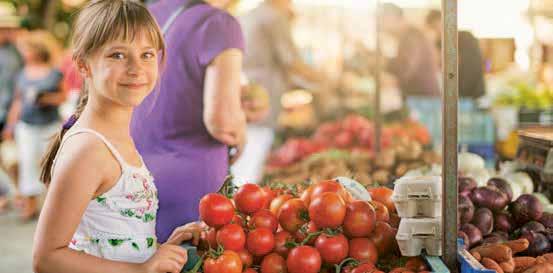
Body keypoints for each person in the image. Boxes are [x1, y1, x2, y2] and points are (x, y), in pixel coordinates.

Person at [32, 1, 201, 272]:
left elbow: (106, 234)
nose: (136, 68)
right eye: (118, 55)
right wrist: (140, 270)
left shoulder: (114, 139)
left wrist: (157, 249)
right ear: (83, 65)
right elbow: (47, 258)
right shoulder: (89, 149)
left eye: (146, 54)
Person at [130, 0, 247, 243]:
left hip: (134, 177)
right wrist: (242, 129)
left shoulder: (147, 14)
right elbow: (222, 123)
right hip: (192, 189)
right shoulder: (219, 23)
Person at [235, 0, 326, 183]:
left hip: (246, 90)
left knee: (245, 153)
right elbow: (291, 61)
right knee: (254, 154)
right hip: (264, 95)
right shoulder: (275, 17)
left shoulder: (250, 14)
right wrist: (323, 79)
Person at [1, 30, 65, 220]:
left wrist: (46, 99)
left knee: (51, 165)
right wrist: (10, 126)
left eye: (28, 49)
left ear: (38, 50)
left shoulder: (54, 73)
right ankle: (29, 206)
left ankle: (54, 207)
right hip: (26, 126)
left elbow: (63, 97)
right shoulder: (21, 73)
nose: (24, 53)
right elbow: (17, 101)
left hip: (49, 125)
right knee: (27, 163)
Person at [379, 3, 440, 99]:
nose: (381, 25)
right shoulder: (410, 35)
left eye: (382, 20)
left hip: (422, 100)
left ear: (393, 18)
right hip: (420, 98)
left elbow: (404, 68)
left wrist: (384, 62)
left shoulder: (411, 37)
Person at [425, 9, 486, 99]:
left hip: (473, 94)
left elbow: (473, 66)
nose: (437, 31)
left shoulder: (466, 38)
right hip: (452, 96)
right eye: (432, 28)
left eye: (436, 26)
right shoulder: (438, 44)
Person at [0, 4, 23, 212]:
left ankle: (18, 192)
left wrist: (12, 120)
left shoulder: (15, 53)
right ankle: (5, 193)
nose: (8, 32)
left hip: (10, 113)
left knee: (14, 157)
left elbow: (20, 88)